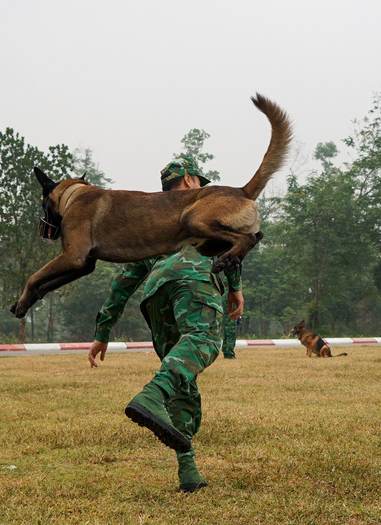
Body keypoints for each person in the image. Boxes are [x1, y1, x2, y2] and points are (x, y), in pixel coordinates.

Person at [87, 156, 244, 493]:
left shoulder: (155, 225)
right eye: (199, 180)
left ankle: (188, 471)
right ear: (188, 180)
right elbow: (231, 243)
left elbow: (124, 281)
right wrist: (235, 287)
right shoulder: (201, 208)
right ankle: (150, 395)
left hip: (155, 292)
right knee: (202, 339)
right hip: (192, 277)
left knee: (182, 379)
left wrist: (102, 333)